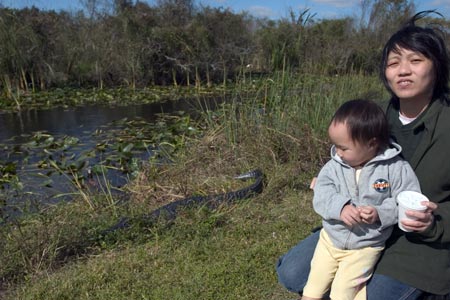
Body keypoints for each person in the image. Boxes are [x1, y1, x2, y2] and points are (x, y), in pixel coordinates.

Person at [276, 10, 450, 299]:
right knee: (292, 272)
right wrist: (332, 183)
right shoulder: (373, 116)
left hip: (419, 240)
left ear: (437, 67)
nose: (403, 70)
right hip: (361, 228)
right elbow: (343, 160)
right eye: (394, 63)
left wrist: (434, 222)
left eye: (416, 60)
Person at [301, 99, 421, 300]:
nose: (337, 152)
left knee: (342, 292)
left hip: (365, 247)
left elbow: (406, 200)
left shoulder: (395, 168)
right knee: (313, 287)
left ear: (372, 143)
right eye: (335, 146)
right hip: (330, 240)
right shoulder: (335, 166)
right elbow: (322, 192)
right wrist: (340, 208)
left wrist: (380, 213)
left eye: (344, 148)